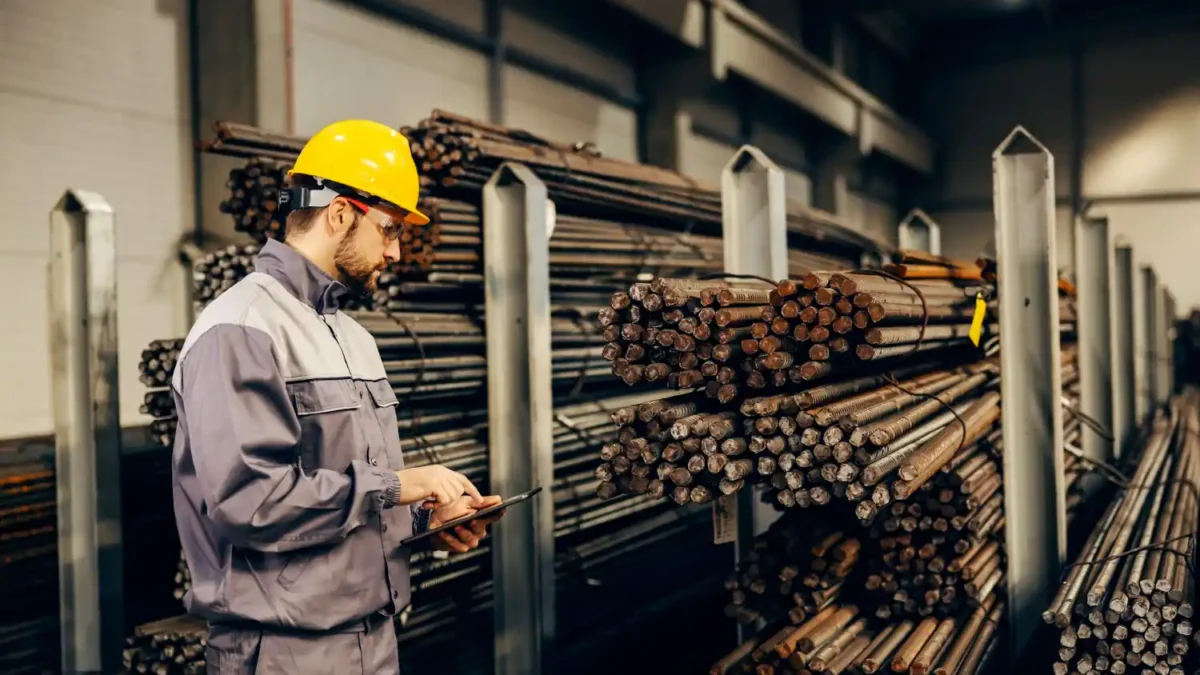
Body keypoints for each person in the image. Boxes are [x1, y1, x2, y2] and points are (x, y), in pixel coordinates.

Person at [171, 119, 504, 674]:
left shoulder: (353, 338)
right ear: (342, 213)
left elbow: (348, 498)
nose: (396, 252)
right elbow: (249, 503)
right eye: (391, 229)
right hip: (285, 652)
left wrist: (426, 524)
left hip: (374, 638)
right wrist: (398, 484)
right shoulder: (242, 328)